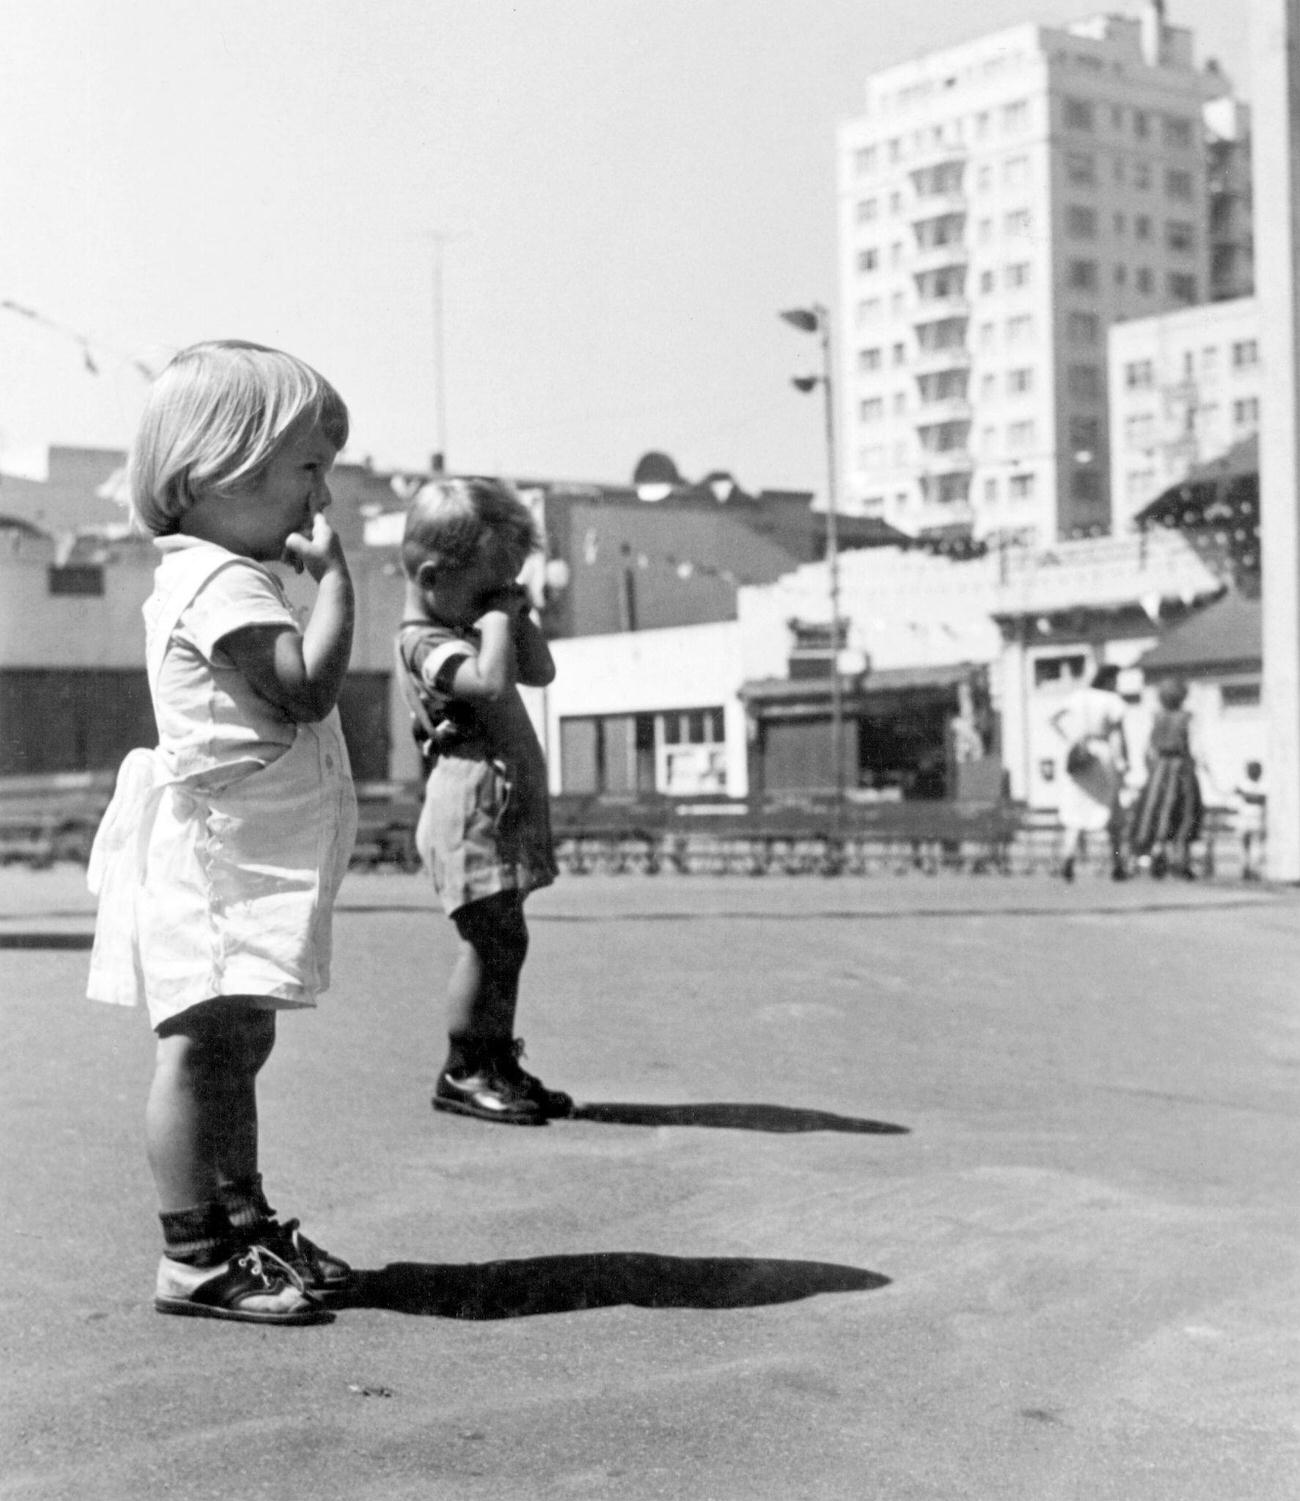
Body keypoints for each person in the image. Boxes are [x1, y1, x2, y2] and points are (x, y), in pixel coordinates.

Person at [86, 341, 358, 1325]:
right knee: (203, 1043)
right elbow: (305, 687)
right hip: (216, 858)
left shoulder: (218, 571)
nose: (320, 495)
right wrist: (338, 589)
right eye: (306, 467)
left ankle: (240, 1218)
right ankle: (193, 1252)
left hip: (235, 848)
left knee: (239, 1035)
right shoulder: (224, 585)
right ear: (215, 472)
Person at [396, 477, 571, 1126]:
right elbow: (492, 683)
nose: (497, 599)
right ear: (435, 576)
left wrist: (511, 609)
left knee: (507, 939)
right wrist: (497, 618)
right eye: (485, 584)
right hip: (467, 813)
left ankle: (496, 1058)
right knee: (488, 940)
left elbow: (539, 671)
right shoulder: (427, 640)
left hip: (494, 806)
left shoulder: (471, 622)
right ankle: (465, 1068)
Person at [1050, 663, 1129, 882]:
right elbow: (1119, 735)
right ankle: (1117, 863)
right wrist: (1123, 762)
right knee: (1111, 811)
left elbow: (1052, 719)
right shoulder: (1111, 701)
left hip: (1078, 755)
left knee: (1075, 813)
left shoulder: (1077, 697)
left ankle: (1068, 858)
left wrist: (1069, 740)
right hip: (1102, 756)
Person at [1127, 675, 1204, 879]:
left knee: (1155, 811)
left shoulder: (1157, 717)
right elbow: (1196, 746)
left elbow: (1148, 748)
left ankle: (1157, 852)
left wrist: (1152, 770)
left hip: (1159, 770)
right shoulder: (1188, 717)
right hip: (1181, 768)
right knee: (1185, 811)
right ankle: (1181, 861)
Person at [1234, 758, 1266, 881]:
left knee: (1255, 847)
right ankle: (1244, 869)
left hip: (1256, 819)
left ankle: (1254, 870)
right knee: (1242, 846)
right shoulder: (1243, 783)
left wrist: (1243, 794)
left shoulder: (1263, 784)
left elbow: (1260, 798)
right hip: (1243, 818)